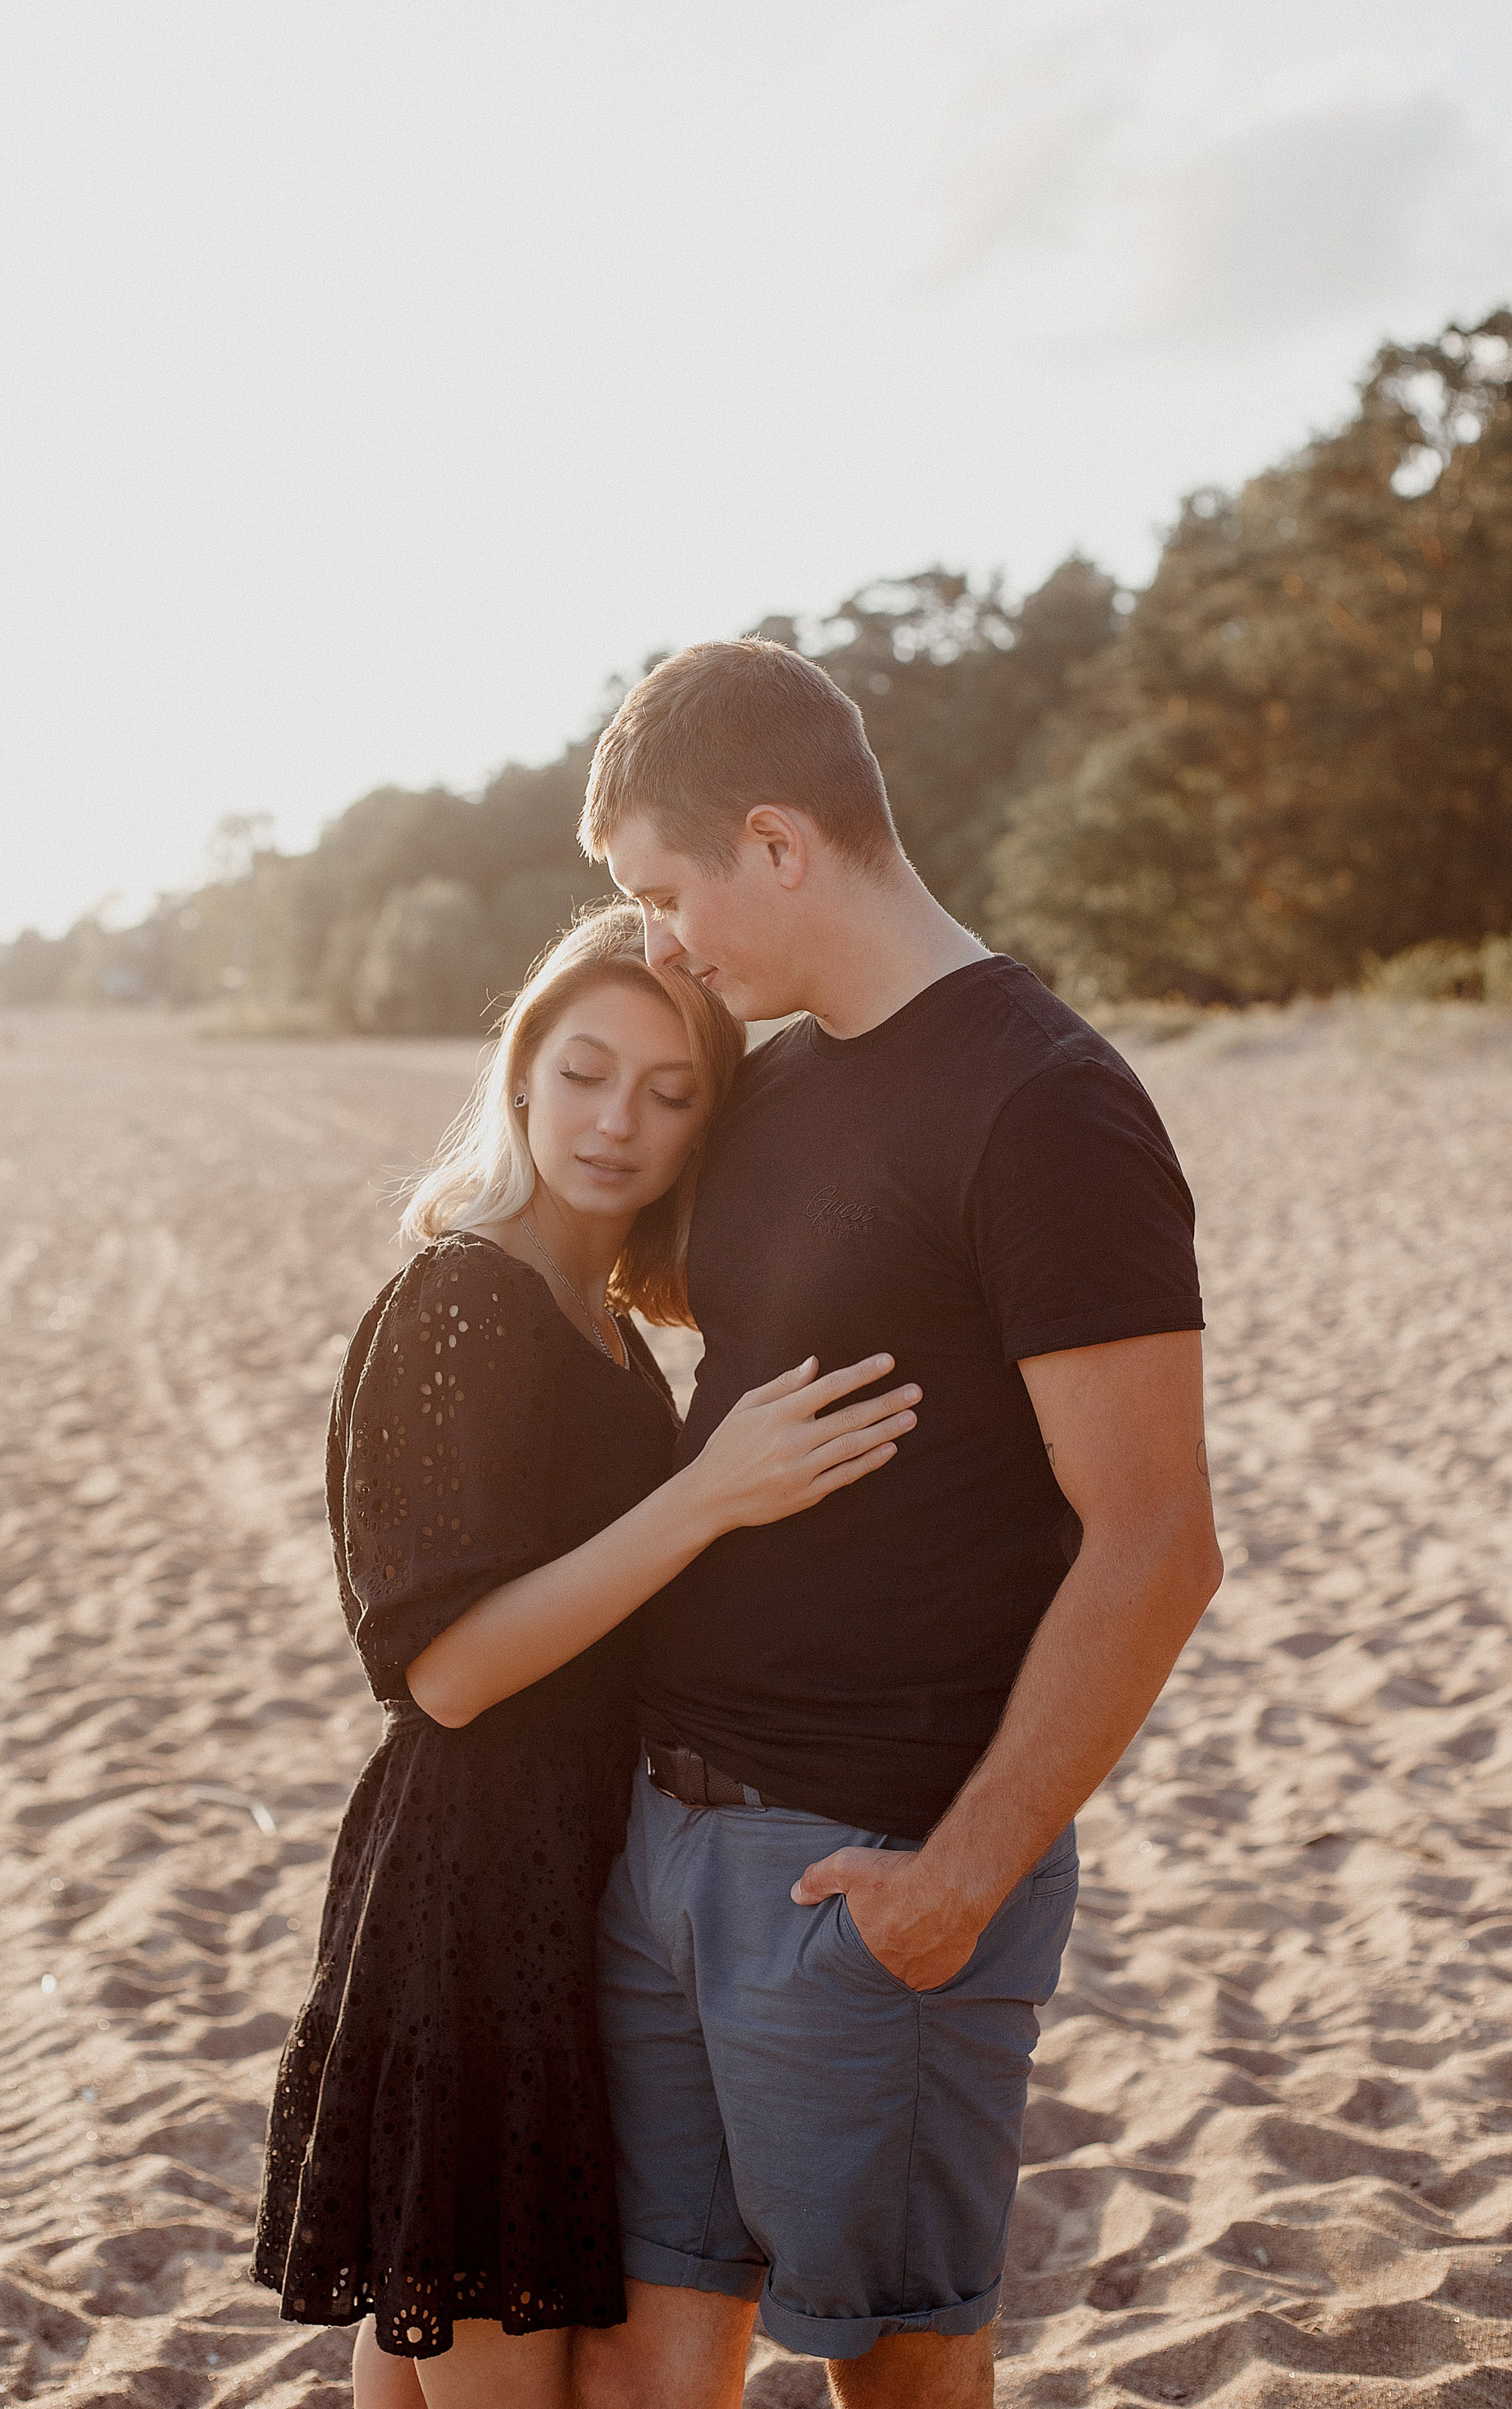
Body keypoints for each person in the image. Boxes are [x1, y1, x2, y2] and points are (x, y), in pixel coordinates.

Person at [572, 642, 1223, 2409]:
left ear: (776, 844)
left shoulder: (1046, 1105)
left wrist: (956, 1882)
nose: (659, 938)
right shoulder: (777, 1078)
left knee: (900, 2367)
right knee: (648, 2348)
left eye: (662, 891)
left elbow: (1156, 1541)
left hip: (863, 1866)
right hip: (664, 1843)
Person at [251, 903, 922, 2408]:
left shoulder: (603, 1317)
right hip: (478, 1893)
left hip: (581, 1872)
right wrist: (707, 1497)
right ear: (519, 1077)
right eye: (583, 1073)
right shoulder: (461, 1302)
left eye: (670, 1091)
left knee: (431, 2341)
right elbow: (448, 1673)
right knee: (490, 2351)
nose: (618, 1121)